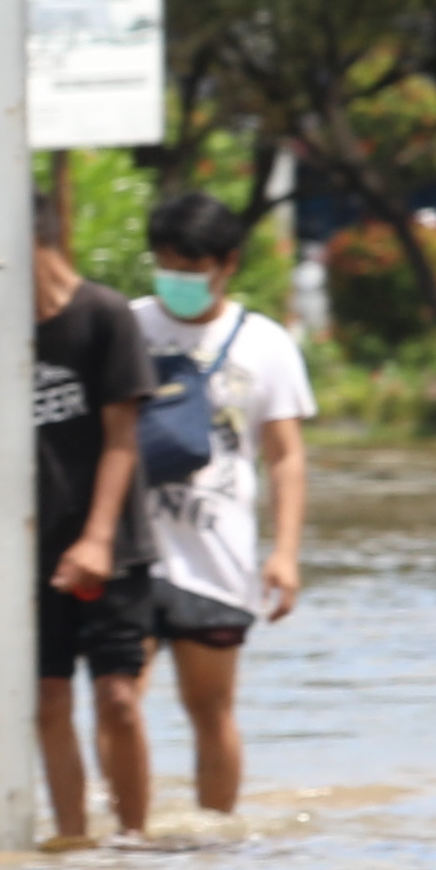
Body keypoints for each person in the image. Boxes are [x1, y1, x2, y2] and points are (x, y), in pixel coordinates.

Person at [136, 186, 314, 822]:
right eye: (167, 264)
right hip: (131, 550)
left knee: (210, 710)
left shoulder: (265, 345)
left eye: (192, 267)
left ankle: (214, 836)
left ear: (227, 264)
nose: (177, 279)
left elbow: (285, 455)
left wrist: (285, 554)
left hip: (218, 558)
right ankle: (125, 836)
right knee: (118, 697)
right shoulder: (127, 326)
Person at [30, 181, 155, 842]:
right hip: (34, 548)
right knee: (49, 700)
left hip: (113, 544)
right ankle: (73, 840)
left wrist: (98, 538)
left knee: (119, 699)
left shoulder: (104, 314)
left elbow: (122, 437)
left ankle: (134, 839)